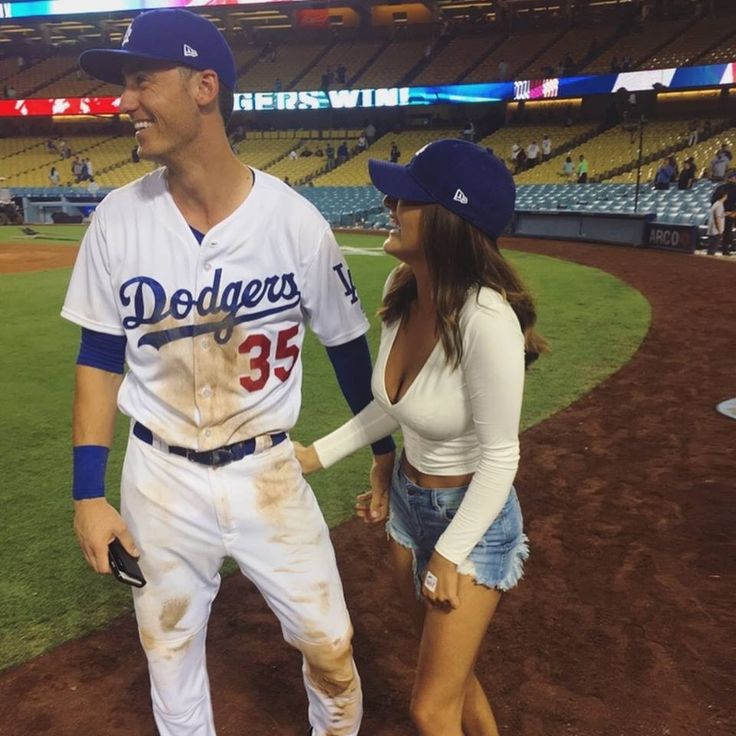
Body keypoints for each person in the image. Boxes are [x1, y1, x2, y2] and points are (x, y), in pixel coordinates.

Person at [63, 10, 395, 736]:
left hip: (268, 472)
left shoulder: (296, 223)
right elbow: (97, 359)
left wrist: (382, 457)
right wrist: (88, 493)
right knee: (169, 652)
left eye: (141, 80)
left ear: (204, 86)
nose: (125, 102)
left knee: (331, 646)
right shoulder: (117, 221)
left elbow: (347, 350)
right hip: (159, 477)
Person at [295, 139, 545, 736]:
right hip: (410, 509)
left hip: (473, 524)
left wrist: (451, 554)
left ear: (446, 219)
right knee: (451, 681)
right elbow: (393, 407)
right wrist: (316, 455)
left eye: (406, 196)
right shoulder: (401, 290)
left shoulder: (488, 321)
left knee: (428, 709)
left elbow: (501, 457)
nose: (388, 202)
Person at [707, 187, 727, 256]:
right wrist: (719, 230)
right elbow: (717, 218)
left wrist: (728, 213)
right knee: (712, 249)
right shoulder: (719, 205)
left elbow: (720, 215)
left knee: (711, 248)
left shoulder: (716, 204)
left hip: (712, 229)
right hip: (716, 231)